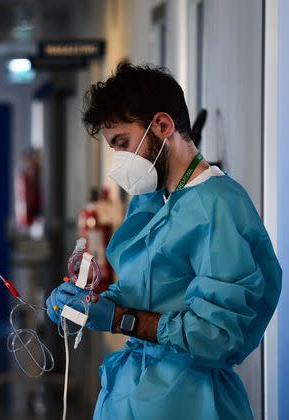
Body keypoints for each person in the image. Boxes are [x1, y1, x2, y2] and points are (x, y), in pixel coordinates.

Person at [46, 63, 282, 419]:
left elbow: (216, 335)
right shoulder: (153, 200)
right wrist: (87, 303)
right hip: (133, 394)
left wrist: (119, 320)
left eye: (122, 144)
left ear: (162, 126)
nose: (118, 161)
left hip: (190, 400)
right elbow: (145, 292)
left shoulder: (216, 206)